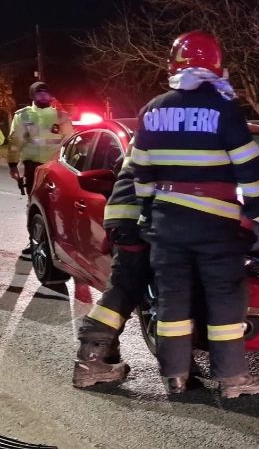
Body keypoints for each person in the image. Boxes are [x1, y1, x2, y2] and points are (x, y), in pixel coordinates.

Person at [129, 30, 259, 397]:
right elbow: (248, 166)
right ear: (216, 67)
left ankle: (175, 376)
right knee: (225, 297)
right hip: (214, 222)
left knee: (172, 299)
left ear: (173, 66)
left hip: (165, 219)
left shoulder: (153, 109)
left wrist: (147, 209)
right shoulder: (223, 110)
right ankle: (231, 379)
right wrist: (258, 214)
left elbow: (139, 168)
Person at [72, 157, 152, 388]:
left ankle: (101, 356)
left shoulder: (154, 129)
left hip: (125, 215)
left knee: (126, 284)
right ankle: (91, 361)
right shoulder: (178, 129)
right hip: (135, 216)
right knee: (125, 285)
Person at [8, 81, 73, 259]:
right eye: (39, 94)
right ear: (32, 96)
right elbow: (15, 142)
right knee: (35, 204)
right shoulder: (23, 116)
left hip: (57, 168)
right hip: (33, 168)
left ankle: (60, 242)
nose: (43, 97)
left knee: (59, 206)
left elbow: (71, 141)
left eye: (46, 94)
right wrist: (13, 166)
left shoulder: (60, 116)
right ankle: (35, 239)